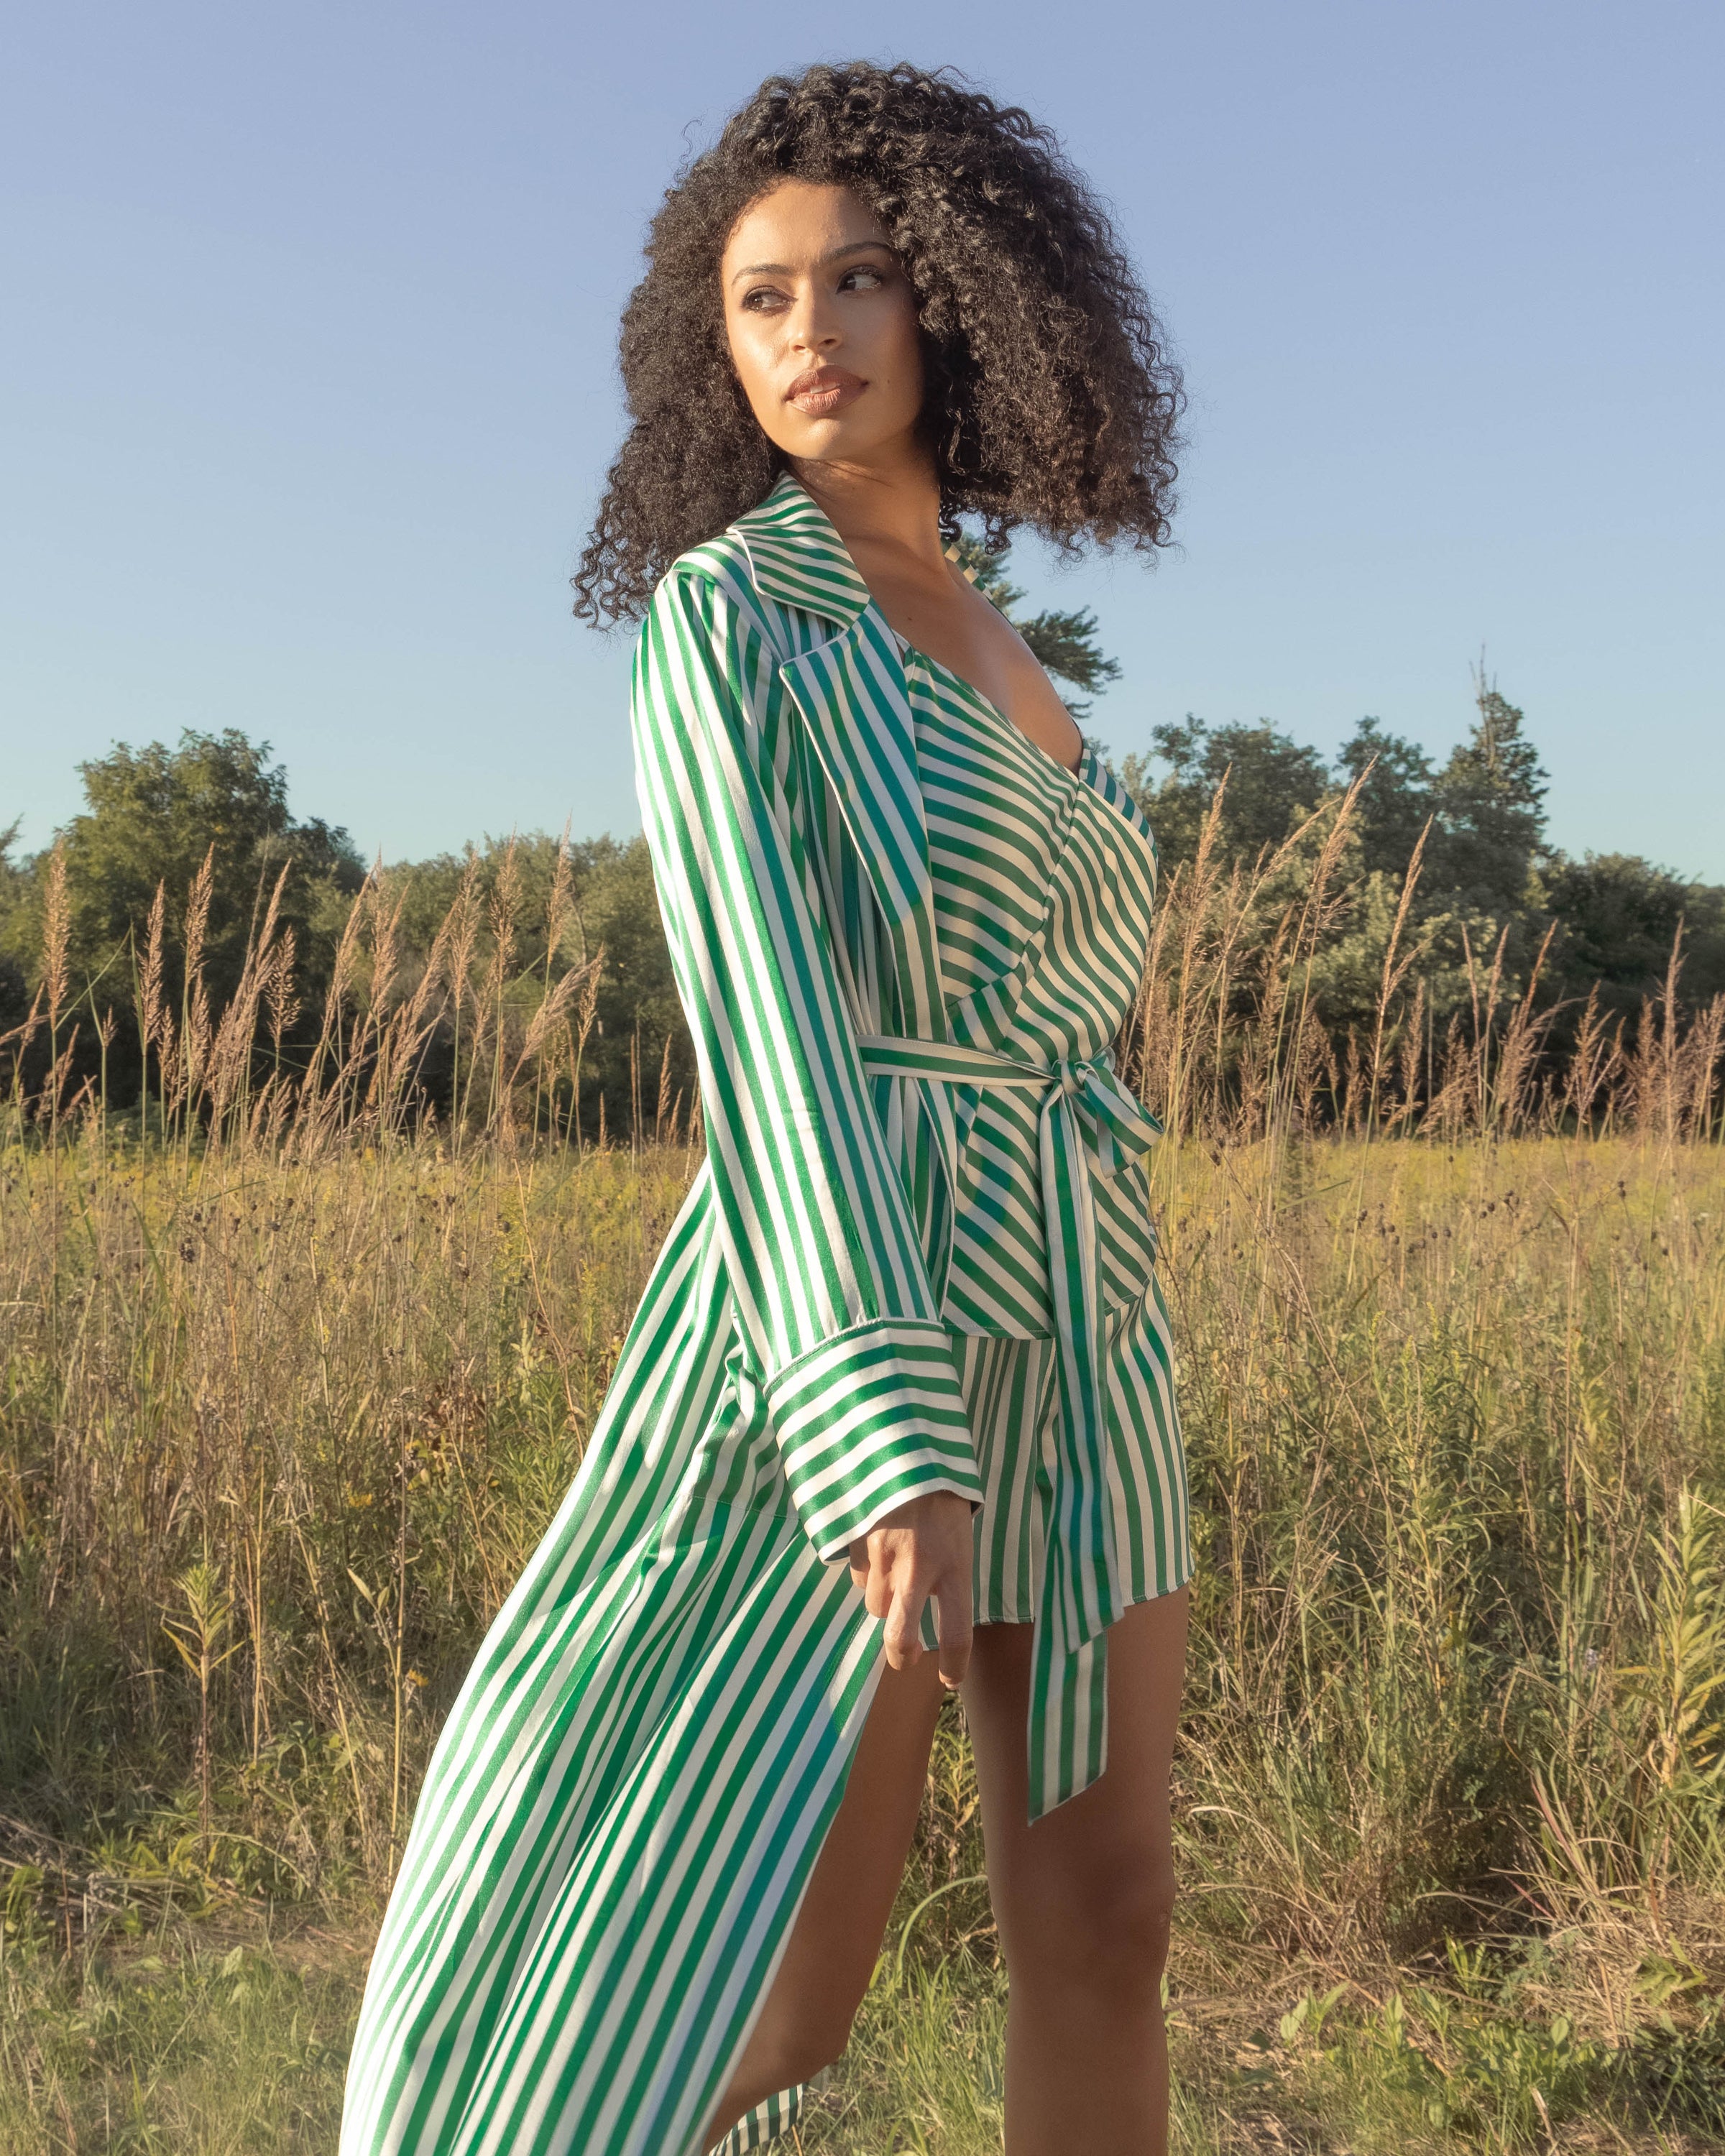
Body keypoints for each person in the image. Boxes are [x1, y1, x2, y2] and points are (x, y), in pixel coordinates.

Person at [340, 60, 1190, 2156]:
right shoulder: (732, 619)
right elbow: (772, 1031)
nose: (815, 331)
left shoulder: (1003, 638)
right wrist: (888, 1432)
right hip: (854, 1290)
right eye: (763, 298)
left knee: (1111, 1918)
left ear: (961, 300)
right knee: (780, 1984)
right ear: (710, 348)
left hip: (1085, 1309)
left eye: (863, 279)